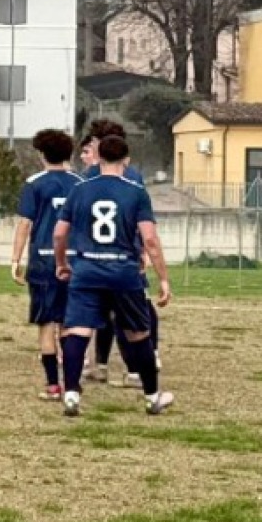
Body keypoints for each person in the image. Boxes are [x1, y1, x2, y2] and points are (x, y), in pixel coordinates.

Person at [54, 134, 174, 417]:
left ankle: (71, 394)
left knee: (78, 330)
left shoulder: (80, 190)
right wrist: (164, 278)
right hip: (123, 271)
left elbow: (59, 233)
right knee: (138, 333)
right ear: (127, 160)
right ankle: (151, 397)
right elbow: (151, 240)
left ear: (98, 158)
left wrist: (62, 262)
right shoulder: (135, 192)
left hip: (86, 270)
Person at [78, 121, 161, 388]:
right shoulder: (133, 176)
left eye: (92, 144)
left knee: (117, 313)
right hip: (125, 256)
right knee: (125, 313)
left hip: (99, 256)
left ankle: (111, 366)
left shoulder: (90, 177)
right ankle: (120, 366)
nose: (89, 149)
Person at [11, 129, 84, 401]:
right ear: (69, 154)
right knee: (69, 324)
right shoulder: (80, 183)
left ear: (41, 154)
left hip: (43, 261)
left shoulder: (34, 184)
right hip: (75, 262)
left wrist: (16, 259)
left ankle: (53, 385)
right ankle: (71, 383)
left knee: (45, 324)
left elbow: (24, 224)